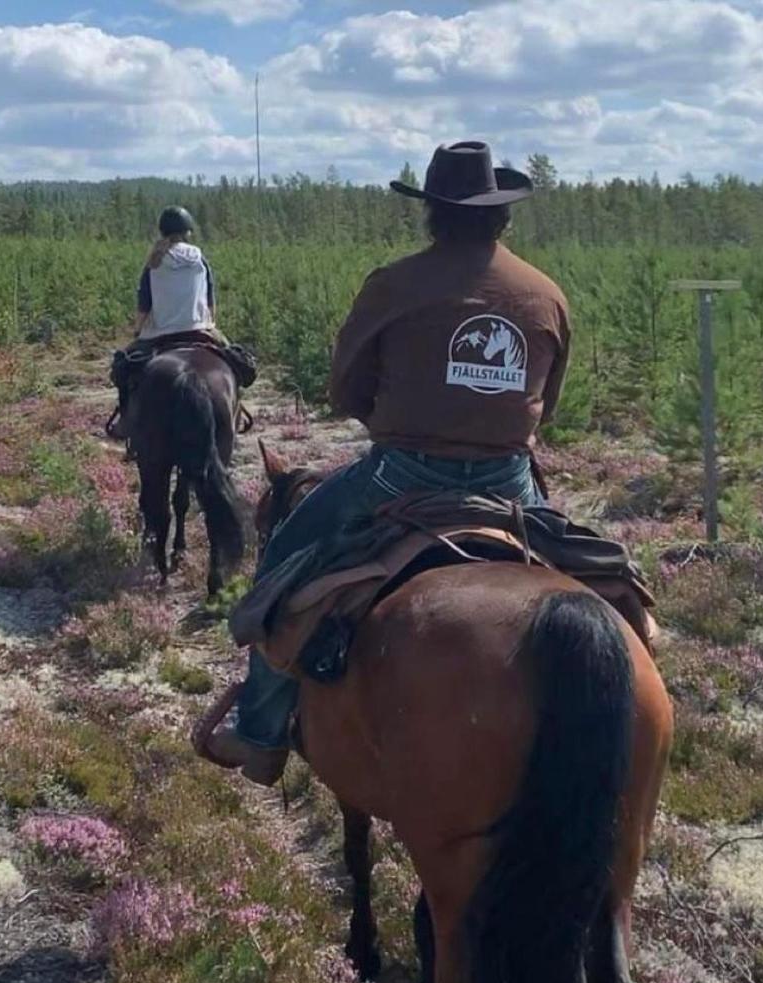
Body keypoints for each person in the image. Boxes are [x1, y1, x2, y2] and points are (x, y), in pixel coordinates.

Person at [198, 140, 576, 786]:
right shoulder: (546, 296)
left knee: (286, 554)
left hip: (401, 474)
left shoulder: (393, 285)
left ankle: (260, 733)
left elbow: (345, 388)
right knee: (590, 576)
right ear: (501, 215)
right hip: (510, 483)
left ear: (432, 212)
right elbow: (550, 405)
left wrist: (399, 415)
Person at [106, 205, 227, 444]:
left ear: (162, 232)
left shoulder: (154, 261)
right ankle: (235, 412)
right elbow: (210, 300)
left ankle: (126, 420)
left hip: (159, 333)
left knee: (122, 369)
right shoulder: (200, 258)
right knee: (233, 361)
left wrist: (137, 330)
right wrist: (210, 324)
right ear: (187, 232)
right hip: (200, 328)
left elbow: (144, 305)